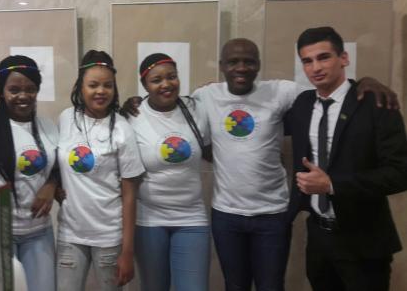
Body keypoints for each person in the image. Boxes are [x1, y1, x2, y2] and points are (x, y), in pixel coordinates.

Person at [123, 38, 397, 291]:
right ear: (221, 66)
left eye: (249, 61)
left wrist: (363, 82)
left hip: (273, 214)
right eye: (233, 62)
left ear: (258, 65)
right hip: (226, 215)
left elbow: (329, 90)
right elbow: (182, 126)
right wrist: (134, 103)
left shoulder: (281, 91)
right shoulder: (205, 96)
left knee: (271, 286)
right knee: (235, 286)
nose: (241, 67)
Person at [287, 27, 407, 291]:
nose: (316, 67)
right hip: (319, 238)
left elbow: (400, 173)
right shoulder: (302, 104)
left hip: (365, 241)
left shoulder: (376, 103)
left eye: (324, 57)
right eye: (307, 61)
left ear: (344, 58)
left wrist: (332, 185)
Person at [0, 55, 58, 291]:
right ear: (1, 92)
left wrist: (51, 185)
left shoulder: (48, 127)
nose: (23, 96)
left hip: (39, 232)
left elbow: (58, 166)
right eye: (14, 90)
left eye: (30, 89)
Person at [56, 50, 144, 291]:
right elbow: (55, 162)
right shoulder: (65, 119)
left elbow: (129, 195)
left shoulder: (122, 129)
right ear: (80, 87)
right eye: (93, 85)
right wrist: (53, 187)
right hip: (70, 234)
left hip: (108, 237)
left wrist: (127, 251)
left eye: (107, 85)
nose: (101, 91)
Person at [127, 53, 211, 291]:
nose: (166, 84)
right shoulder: (133, 116)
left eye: (172, 77)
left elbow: (211, 150)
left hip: (192, 217)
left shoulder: (196, 109)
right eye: (156, 80)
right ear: (144, 85)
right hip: (149, 219)